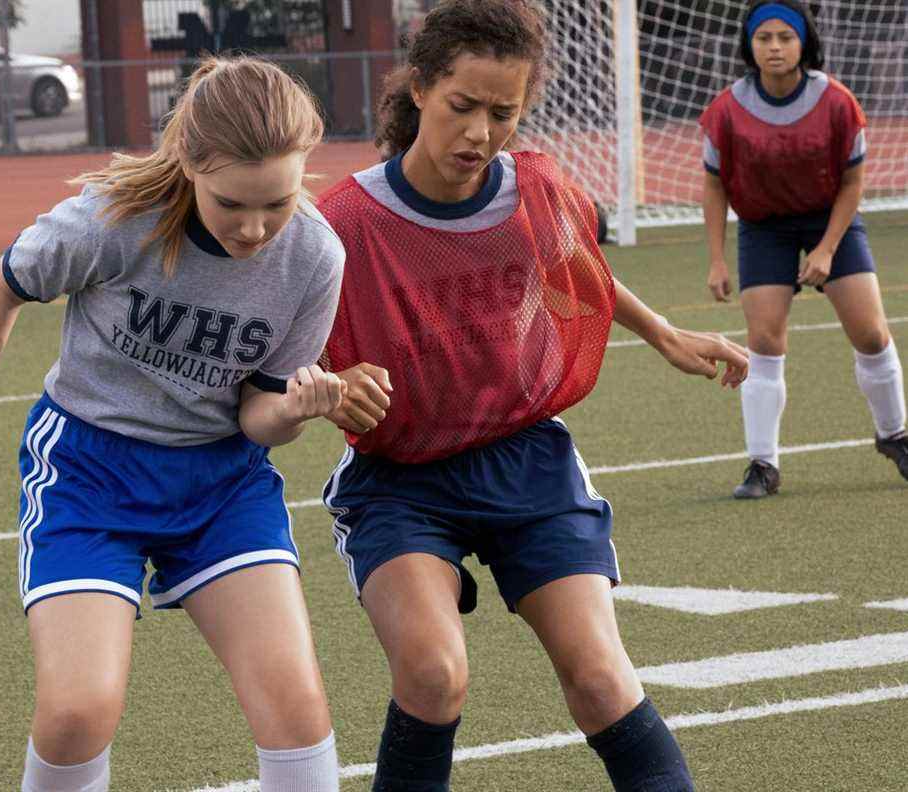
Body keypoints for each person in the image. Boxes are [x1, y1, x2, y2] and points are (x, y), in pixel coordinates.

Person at [315, 1, 750, 789]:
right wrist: (327, 385)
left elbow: (581, 265)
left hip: (528, 463)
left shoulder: (536, 190)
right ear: (419, 89)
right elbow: (280, 339)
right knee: (434, 675)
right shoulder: (342, 222)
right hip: (403, 482)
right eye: (462, 106)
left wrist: (665, 335)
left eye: (503, 113)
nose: (480, 133)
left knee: (600, 682)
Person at [0, 57, 347, 792]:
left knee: (297, 707)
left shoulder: (315, 258)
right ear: (190, 161)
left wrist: (295, 411)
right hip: (90, 473)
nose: (254, 229)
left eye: (276, 205)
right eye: (231, 204)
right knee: (76, 712)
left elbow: (256, 418)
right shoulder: (113, 222)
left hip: (221, 481)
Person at [702, 0, 908, 498]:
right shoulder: (727, 109)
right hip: (763, 227)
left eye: (785, 37)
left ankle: (895, 435)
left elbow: (854, 182)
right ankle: (762, 465)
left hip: (828, 218)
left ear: (803, 43)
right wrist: (716, 258)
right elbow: (713, 185)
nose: (774, 47)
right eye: (763, 38)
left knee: (872, 333)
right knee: (765, 341)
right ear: (749, 45)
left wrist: (828, 249)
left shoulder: (836, 101)